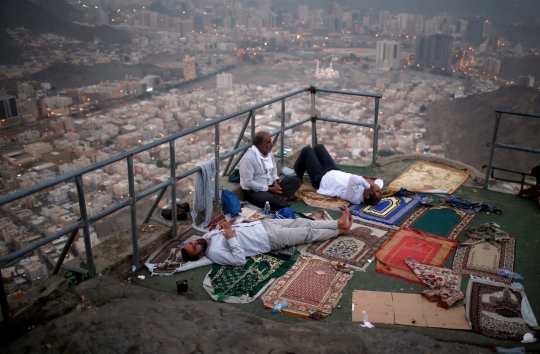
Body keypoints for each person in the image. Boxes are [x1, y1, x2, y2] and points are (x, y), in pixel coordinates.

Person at [181, 207, 354, 266]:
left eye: (192, 242)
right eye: (195, 246)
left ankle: (338, 224)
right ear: (200, 255)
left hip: (263, 225)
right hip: (269, 239)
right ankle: (340, 229)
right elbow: (240, 260)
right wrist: (231, 237)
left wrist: (222, 225)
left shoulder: (208, 237)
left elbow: (220, 228)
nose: (196, 241)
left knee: (302, 222)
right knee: (307, 233)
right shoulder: (216, 253)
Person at [294, 144, 383, 205]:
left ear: (367, 196)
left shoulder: (355, 197)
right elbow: (380, 181)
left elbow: (354, 179)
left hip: (321, 179)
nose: (374, 188)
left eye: (375, 190)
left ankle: (298, 174)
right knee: (319, 147)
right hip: (333, 170)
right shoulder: (367, 189)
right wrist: (376, 187)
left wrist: (372, 185)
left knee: (307, 150)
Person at [240, 131, 301, 210]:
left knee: (296, 181)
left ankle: (277, 197)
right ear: (260, 145)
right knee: (268, 199)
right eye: (268, 142)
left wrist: (275, 182)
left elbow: (273, 171)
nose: (271, 144)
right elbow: (248, 182)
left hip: (270, 186)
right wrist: (268, 189)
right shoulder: (248, 158)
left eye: (271, 141)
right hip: (255, 191)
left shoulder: (269, 153)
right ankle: (285, 199)